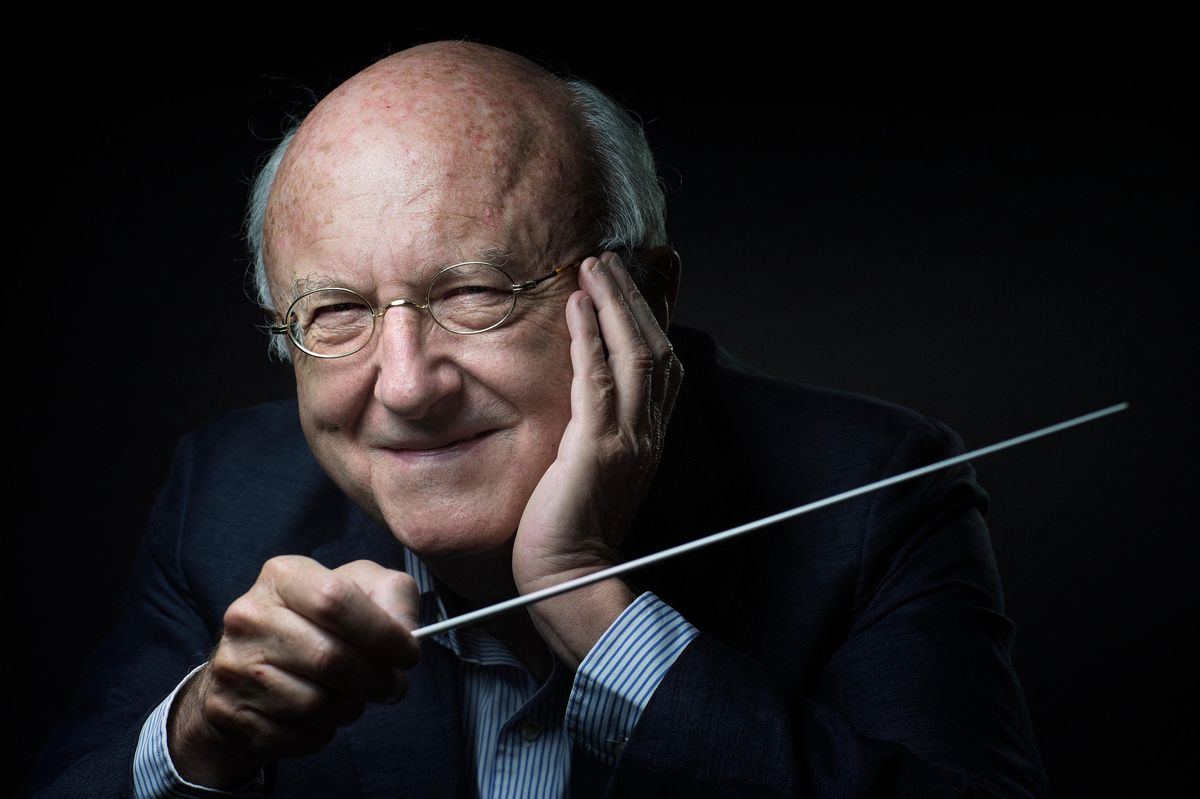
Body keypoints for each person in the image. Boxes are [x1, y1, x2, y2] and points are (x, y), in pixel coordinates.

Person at [25, 41, 1048, 797]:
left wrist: (584, 597)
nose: (407, 384)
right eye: (334, 314)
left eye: (476, 292)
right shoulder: (224, 493)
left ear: (641, 295)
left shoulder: (877, 497)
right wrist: (203, 734)